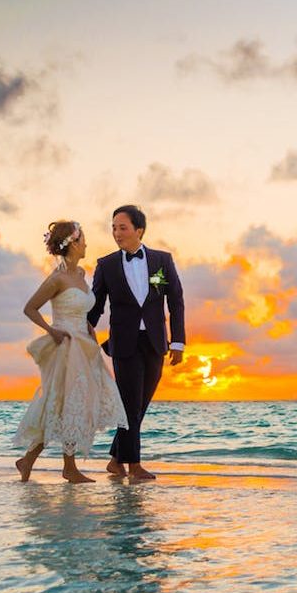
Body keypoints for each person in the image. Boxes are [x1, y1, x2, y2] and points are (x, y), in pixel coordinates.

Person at [14, 220, 127, 483]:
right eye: (83, 239)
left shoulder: (81, 275)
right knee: (65, 403)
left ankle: (30, 460)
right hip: (64, 346)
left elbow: (80, 307)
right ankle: (68, 467)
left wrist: (88, 324)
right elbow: (30, 308)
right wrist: (51, 330)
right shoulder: (57, 278)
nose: (86, 243)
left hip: (84, 345)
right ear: (73, 243)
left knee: (75, 404)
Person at [87, 204, 185, 482]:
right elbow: (96, 306)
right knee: (130, 404)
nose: (117, 233)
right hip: (124, 343)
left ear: (139, 230)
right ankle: (134, 466)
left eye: (123, 227)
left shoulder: (162, 260)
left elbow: (175, 301)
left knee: (140, 405)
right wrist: (81, 328)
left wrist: (178, 342)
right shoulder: (106, 265)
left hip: (154, 342)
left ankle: (116, 460)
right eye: (114, 228)